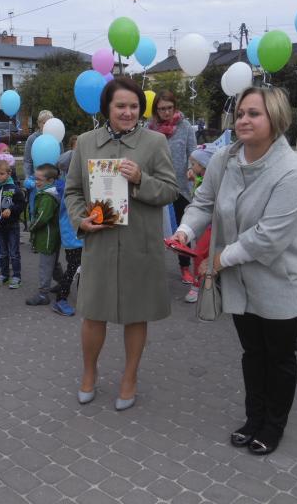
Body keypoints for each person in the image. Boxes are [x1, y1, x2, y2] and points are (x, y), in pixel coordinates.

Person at [174, 86, 297, 455]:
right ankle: (253, 418)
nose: (244, 120)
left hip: (281, 278)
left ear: (276, 119)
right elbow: (203, 202)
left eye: (254, 113)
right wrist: (185, 230)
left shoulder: (291, 169)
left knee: (279, 357)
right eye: (240, 113)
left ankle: (273, 425)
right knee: (252, 352)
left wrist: (217, 261)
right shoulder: (224, 158)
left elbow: (267, 238)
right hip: (240, 276)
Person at [66, 77, 179, 412]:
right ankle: (89, 373)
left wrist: (142, 179)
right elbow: (72, 191)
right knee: (93, 314)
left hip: (138, 245)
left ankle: (130, 377)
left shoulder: (155, 142)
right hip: (100, 243)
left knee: (135, 315)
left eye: (133, 106)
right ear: (107, 108)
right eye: (120, 106)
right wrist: (79, 219)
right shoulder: (85, 143)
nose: (128, 112)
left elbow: (171, 191)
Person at [148, 90, 197, 285]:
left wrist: (193, 169)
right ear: (156, 110)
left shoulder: (184, 127)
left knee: (182, 228)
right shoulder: (149, 128)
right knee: (153, 228)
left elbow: (193, 152)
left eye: (169, 108)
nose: (166, 112)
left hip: (180, 187)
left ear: (175, 107)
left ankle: (184, 267)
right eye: (161, 109)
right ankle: (152, 266)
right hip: (156, 185)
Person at [182, 145, 215, 304]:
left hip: (214, 225)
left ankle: (196, 285)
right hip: (204, 224)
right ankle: (203, 282)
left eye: (194, 163)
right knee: (202, 252)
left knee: (200, 252)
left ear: (203, 165)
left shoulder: (213, 180)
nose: (191, 166)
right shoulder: (201, 178)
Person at [25, 164, 61, 308]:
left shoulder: (47, 197)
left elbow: (42, 217)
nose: (36, 182)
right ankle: (64, 282)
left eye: (40, 179)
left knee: (45, 265)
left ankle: (43, 294)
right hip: (52, 236)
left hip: (47, 237)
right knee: (53, 263)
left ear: (50, 180)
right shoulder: (48, 193)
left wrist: (32, 226)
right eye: (35, 178)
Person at [53, 146, 83, 317]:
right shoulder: (69, 187)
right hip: (73, 237)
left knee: (83, 268)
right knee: (73, 268)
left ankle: (84, 298)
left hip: (79, 236)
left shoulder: (72, 184)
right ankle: (60, 299)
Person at [0, 156, 25, 289]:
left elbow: (21, 204)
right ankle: (4, 275)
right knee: (2, 252)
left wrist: (11, 210)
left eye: (2, 174)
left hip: (12, 226)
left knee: (14, 252)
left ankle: (16, 276)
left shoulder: (14, 189)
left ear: (8, 173)